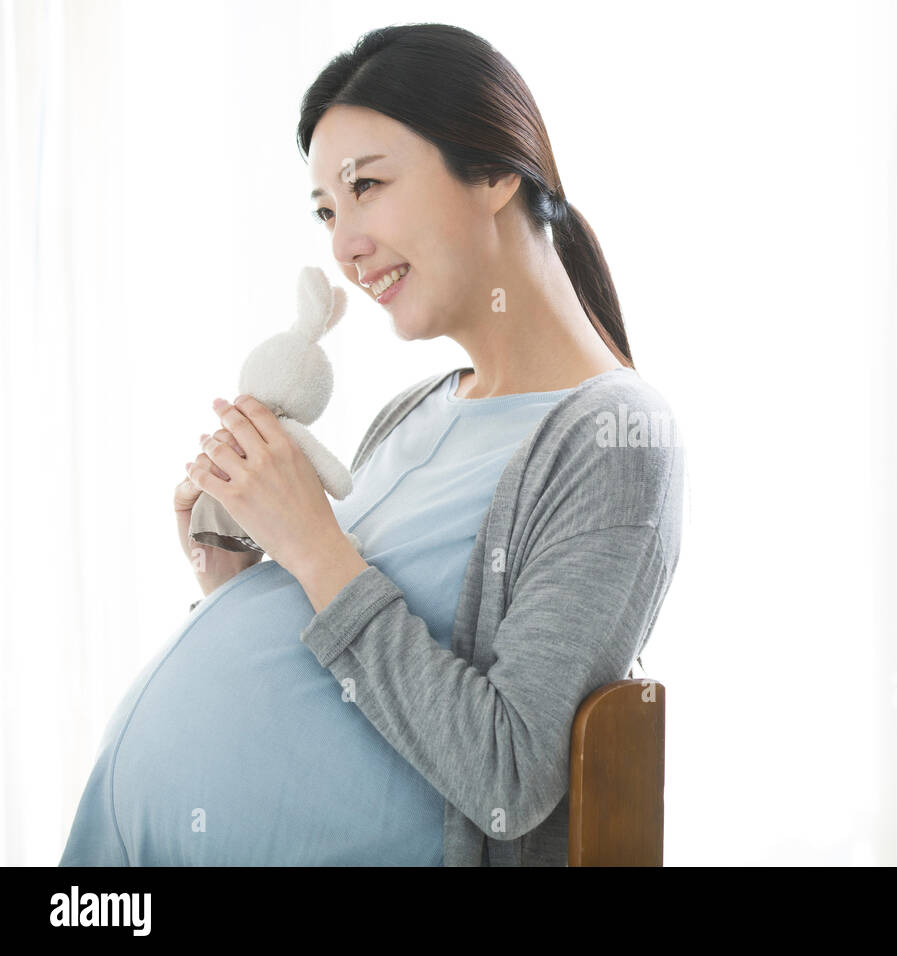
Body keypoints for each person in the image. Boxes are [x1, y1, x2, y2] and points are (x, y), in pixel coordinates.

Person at [58, 23, 684, 867]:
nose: (344, 245)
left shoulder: (614, 439)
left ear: (497, 170)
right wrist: (236, 587)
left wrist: (314, 547)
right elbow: (349, 655)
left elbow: (507, 776)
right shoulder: (413, 411)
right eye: (326, 210)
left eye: (369, 187)